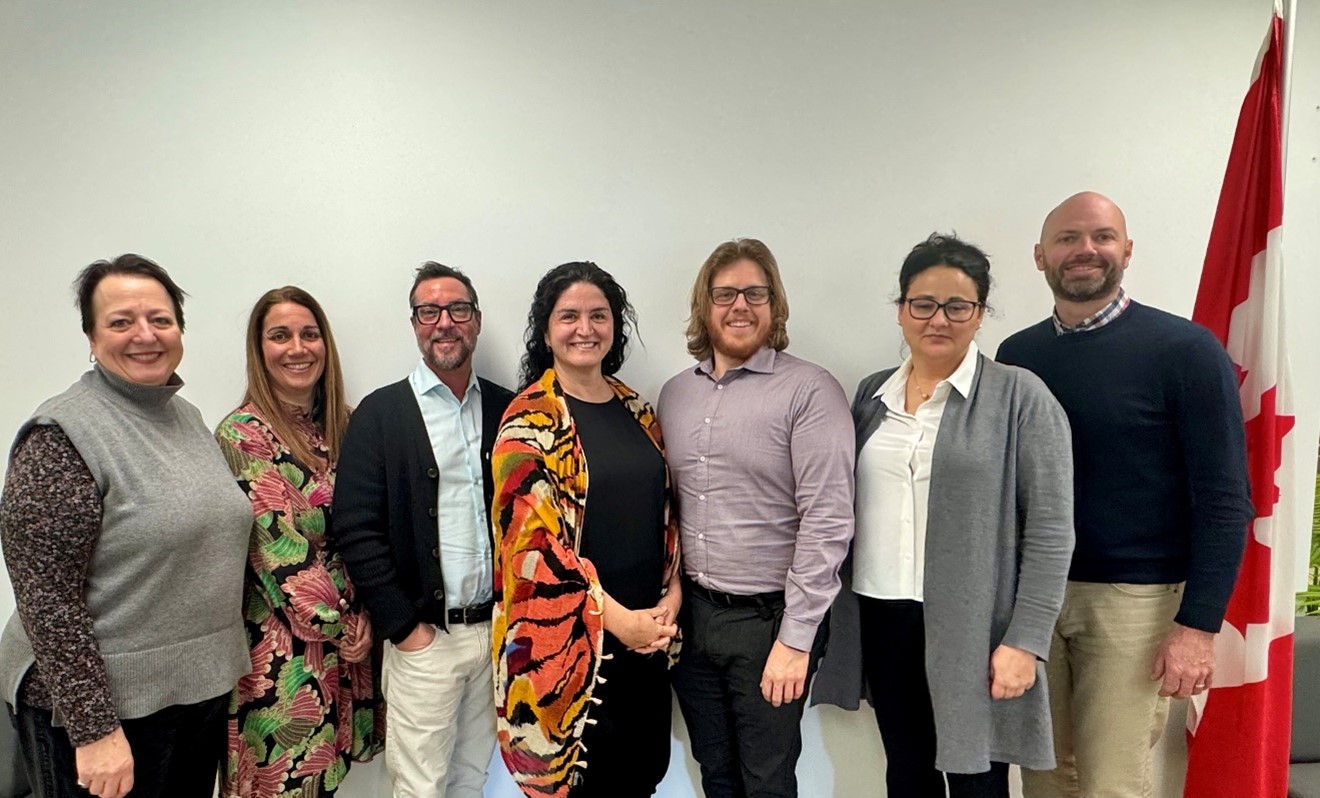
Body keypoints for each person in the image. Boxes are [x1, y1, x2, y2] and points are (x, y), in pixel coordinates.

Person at [997, 191, 1255, 798]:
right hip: (1035, 597)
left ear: (1127, 250)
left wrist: (1198, 626)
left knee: (1111, 784)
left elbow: (1225, 499)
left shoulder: (1186, 352)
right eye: (1067, 238)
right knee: (1043, 777)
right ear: (1040, 255)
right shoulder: (1017, 357)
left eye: (1102, 236)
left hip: (1133, 604)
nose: (1085, 249)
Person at [812, 234, 1075, 798]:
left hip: (973, 627)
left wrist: (1026, 641)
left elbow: (1052, 533)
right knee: (908, 775)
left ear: (980, 314)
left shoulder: (1020, 397)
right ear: (901, 310)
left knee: (977, 779)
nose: (938, 319)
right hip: (883, 616)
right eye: (923, 304)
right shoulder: (871, 396)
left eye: (958, 306)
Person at [0, 255, 252, 798]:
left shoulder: (186, 417)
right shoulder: (60, 435)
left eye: (160, 320)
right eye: (121, 322)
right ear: (91, 338)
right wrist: (94, 731)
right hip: (99, 713)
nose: (145, 335)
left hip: (193, 695)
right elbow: (47, 598)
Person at [657, 238, 854, 798]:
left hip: (771, 624)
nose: (739, 305)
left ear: (774, 304)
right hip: (694, 621)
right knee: (716, 773)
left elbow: (828, 519)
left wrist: (796, 638)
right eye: (725, 294)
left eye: (754, 293)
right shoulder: (674, 394)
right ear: (705, 306)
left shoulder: (810, 390)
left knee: (767, 782)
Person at [491, 261, 681, 798]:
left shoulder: (638, 410)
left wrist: (673, 595)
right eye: (569, 316)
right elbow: (532, 550)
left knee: (641, 778)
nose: (585, 328)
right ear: (546, 329)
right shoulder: (527, 421)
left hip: (648, 643)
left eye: (599, 315)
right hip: (570, 653)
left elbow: (666, 517)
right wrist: (620, 622)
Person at [330, 262, 514, 798]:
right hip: (426, 642)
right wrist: (404, 628)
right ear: (414, 324)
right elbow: (355, 528)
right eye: (429, 311)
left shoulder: (508, 408)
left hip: (495, 635)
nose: (444, 322)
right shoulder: (380, 414)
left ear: (476, 320)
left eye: (458, 309)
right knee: (420, 788)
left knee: (471, 780)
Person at [215, 286, 385, 796]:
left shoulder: (348, 425)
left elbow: (377, 528)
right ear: (259, 348)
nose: (297, 348)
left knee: (329, 781)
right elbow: (277, 550)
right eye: (280, 335)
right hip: (282, 653)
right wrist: (343, 623)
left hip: (351, 643)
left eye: (309, 334)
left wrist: (372, 613)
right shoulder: (243, 435)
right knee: (285, 784)